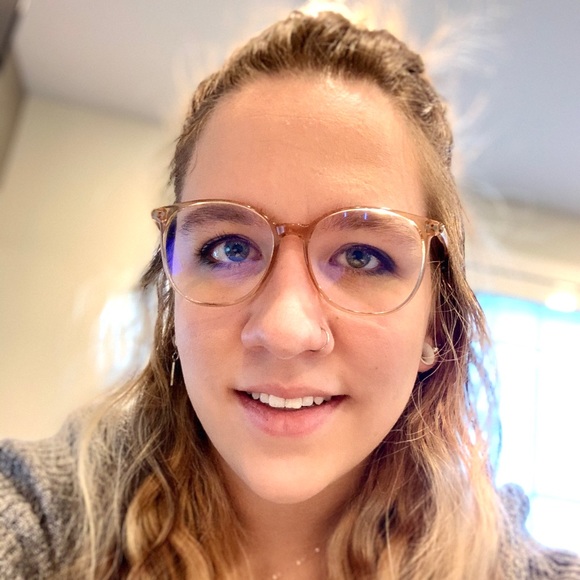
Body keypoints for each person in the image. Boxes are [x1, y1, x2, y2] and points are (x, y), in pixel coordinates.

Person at [1, 8, 579, 580]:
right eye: (229, 249)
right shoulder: (52, 520)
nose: (284, 330)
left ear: (434, 323)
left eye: (362, 257)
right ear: (174, 301)